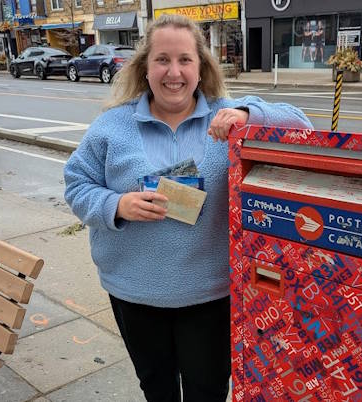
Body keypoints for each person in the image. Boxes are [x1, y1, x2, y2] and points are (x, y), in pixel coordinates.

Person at [63, 14, 312, 402]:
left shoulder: (227, 116)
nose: (173, 72)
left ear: (201, 68)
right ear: (145, 68)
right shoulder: (112, 127)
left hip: (209, 295)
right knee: (156, 388)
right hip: (135, 293)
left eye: (184, 60)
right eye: (162, 60)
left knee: (207, 391)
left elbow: (302, 125)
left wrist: (249, 115)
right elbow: (77, 185)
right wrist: (116, 204)